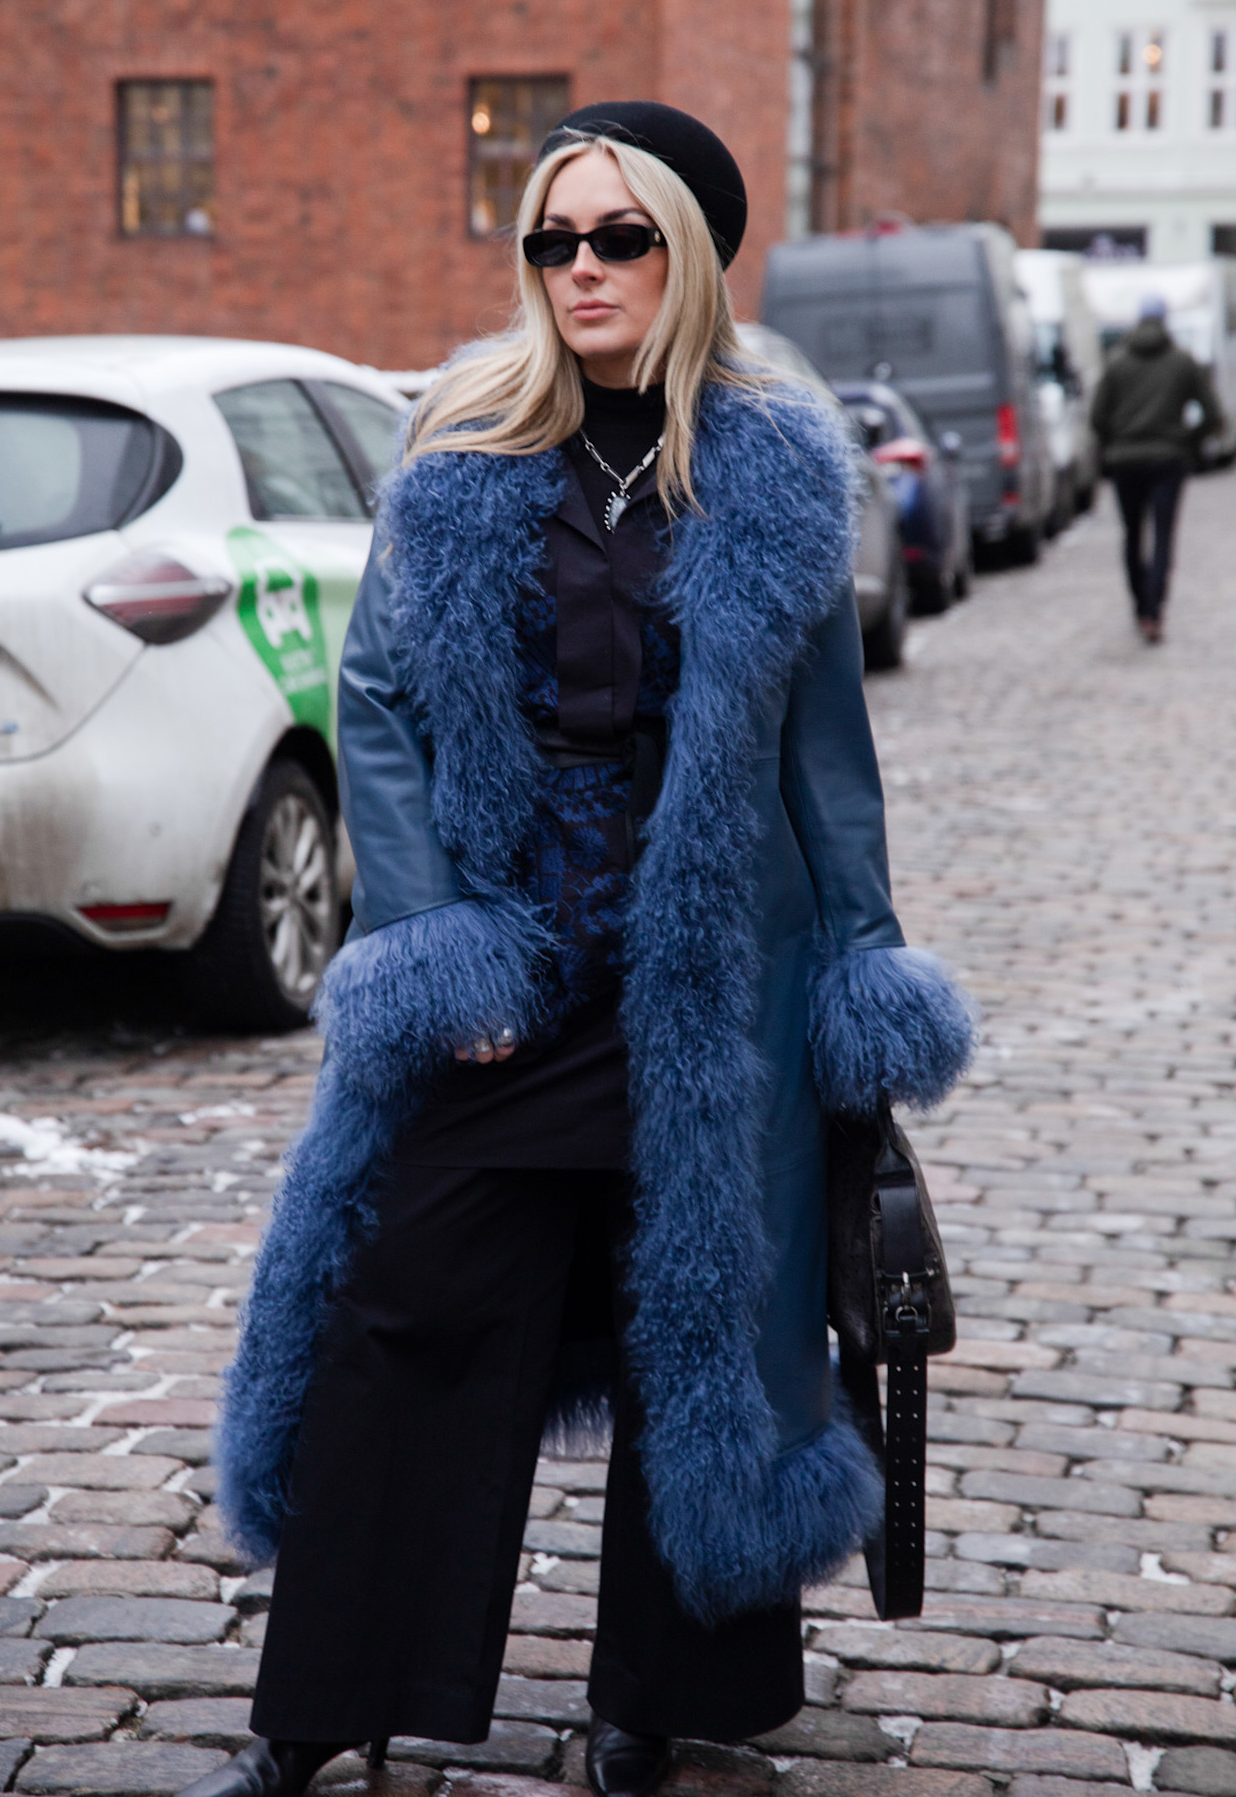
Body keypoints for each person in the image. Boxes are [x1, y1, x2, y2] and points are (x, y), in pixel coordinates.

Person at [193, 102, 974, 1797]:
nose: (579, 268)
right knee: (406, 1317)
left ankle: (651, 1707)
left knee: (700, 1329)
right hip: (522, 976)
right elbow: (380, 705)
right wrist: (440, 939)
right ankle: (314, 1717)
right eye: (552, 238)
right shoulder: (464, 448)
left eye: (618, 238)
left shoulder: (772, 466)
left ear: (686, 256)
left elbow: (827, 764)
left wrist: (860, 969)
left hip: (713, 993)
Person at [1091, 292, 1225, 643]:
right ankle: (1154, 609)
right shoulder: (1182, 362)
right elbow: (1214, 415)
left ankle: (1140, 606)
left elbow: (1096, 416)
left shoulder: (1117, 361)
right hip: (1168, 459)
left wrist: (1114, 443)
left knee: (1133, 534)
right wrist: (1187, 441)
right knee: (1163, 535)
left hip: (1126, 461)